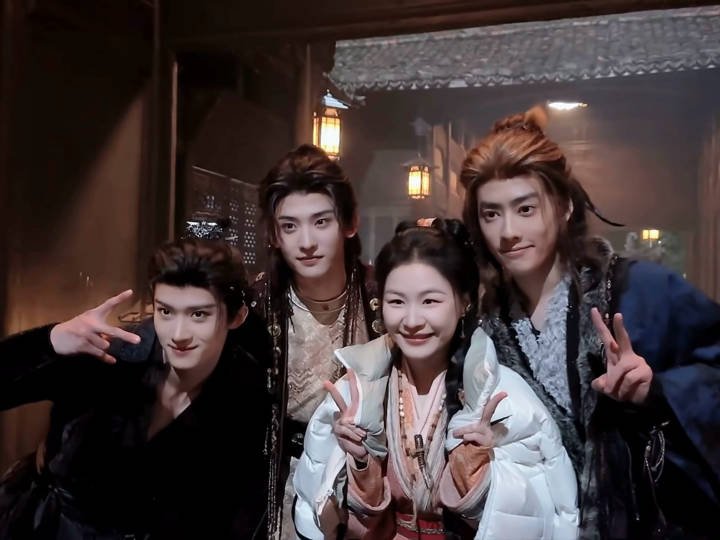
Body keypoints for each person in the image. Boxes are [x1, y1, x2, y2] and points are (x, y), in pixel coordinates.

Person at [460, 105, 720, 539]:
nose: (507, 231)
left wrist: (657, 391)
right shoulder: (487, 330)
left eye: (525, 209)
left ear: (564, 207)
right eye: (491, 214)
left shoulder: (641, 291)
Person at [294, 218, 578, 539]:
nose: (412, 320)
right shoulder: (355, 392)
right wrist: (360, 461)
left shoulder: (504, 400)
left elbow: (539, 517)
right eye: (397, 301)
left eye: (430, 301)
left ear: (464, 302)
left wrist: (477, 468)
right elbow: (325, 514)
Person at [0, 238, 270, 539]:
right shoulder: (108, 357)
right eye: (166, 312)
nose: (178, 334)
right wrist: (50, 340)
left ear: (236, 317)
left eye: (198, 315)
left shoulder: (244, 390)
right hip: (48, 528)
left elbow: (231, 509)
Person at [255, 144, 381, 538]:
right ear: (274, 235)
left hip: (368, 474)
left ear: (350, 223)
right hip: (281, 480)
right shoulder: (256, 305)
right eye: (290, 226)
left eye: (321, 221)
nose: (306, 241)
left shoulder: (383, 298)